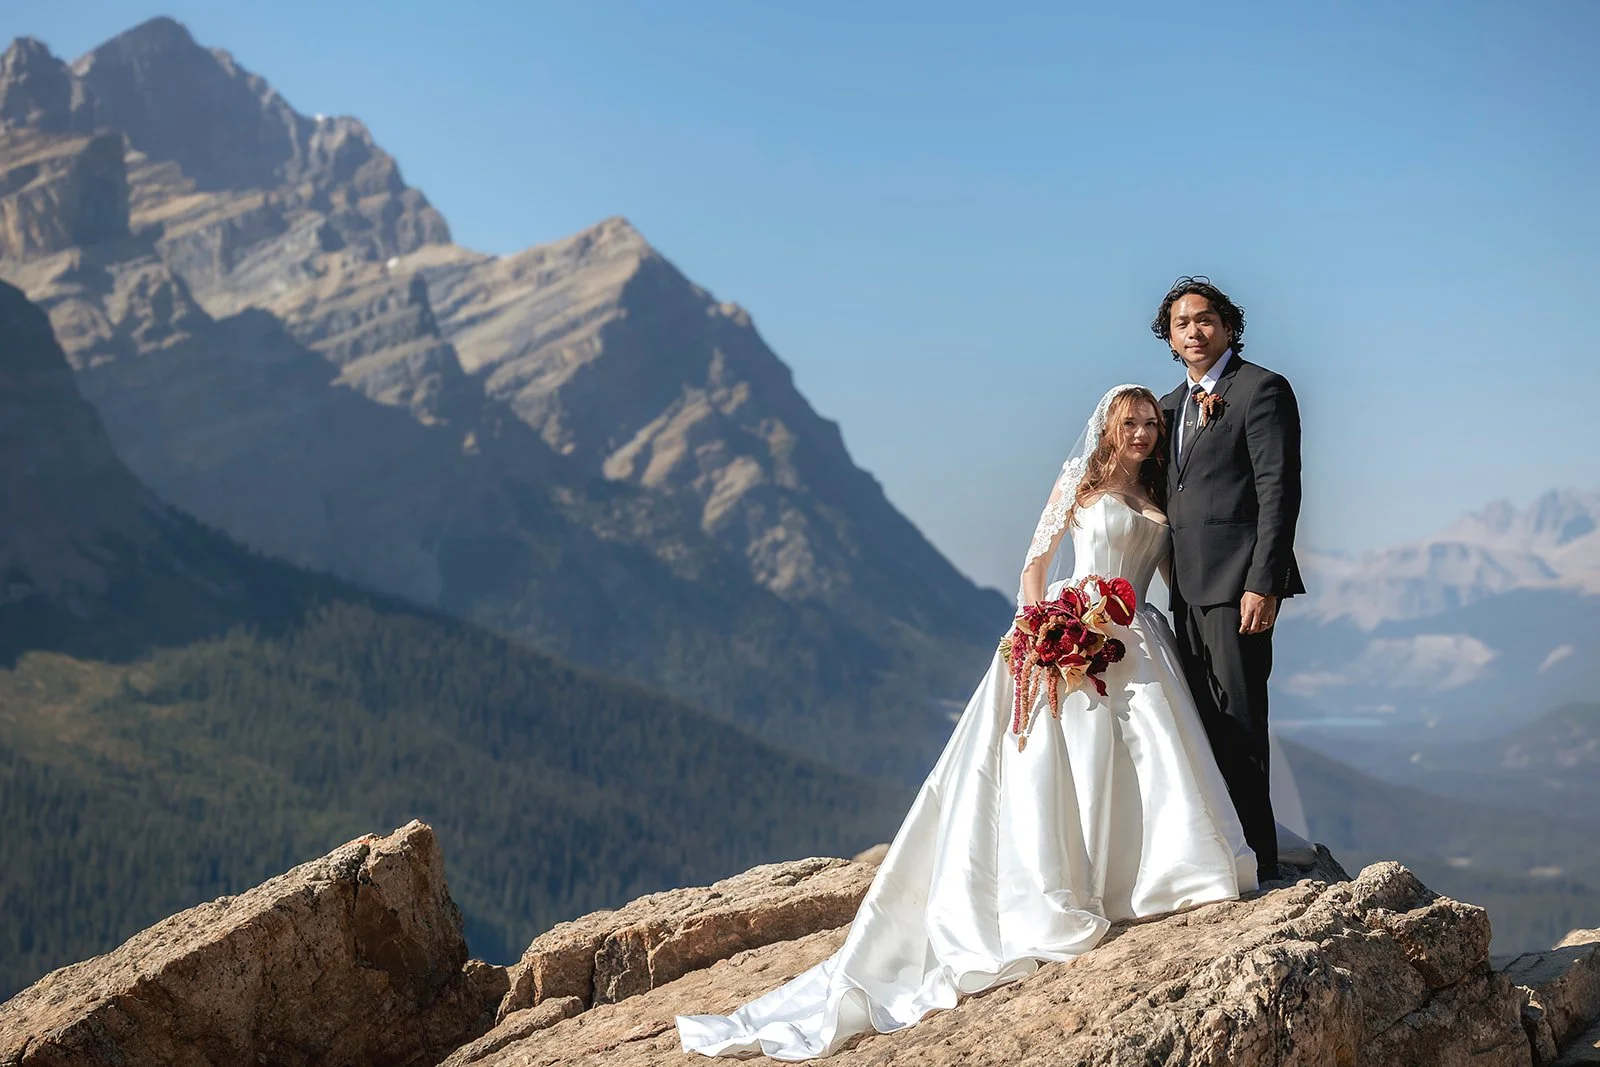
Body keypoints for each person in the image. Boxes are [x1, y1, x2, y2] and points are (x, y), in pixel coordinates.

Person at [676, 384, 1263, 1061]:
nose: (1142, 432)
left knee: (1144, 761)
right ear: (1106, 428)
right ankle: (1064, 886)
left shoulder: (1160, 499)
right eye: (1130, 422)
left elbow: (1177, 574)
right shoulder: (1079, 485)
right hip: (1072, 628)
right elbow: (1035, 564)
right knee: (1063, 765)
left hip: (1134, 639)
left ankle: (1141, 877)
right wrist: (1042, 627)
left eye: (1151, 423)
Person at [1154, 277, 1304, 884]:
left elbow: (1278, 490)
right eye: (1182, 323)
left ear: (1228, 327)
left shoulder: (1261, 390)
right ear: (1169, 337)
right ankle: (1220, 853)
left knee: (1241, 723)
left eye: (1206, 319)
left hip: (1239, 585)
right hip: (1182, 591)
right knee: (1199, 728)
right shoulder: (1165, 409)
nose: (1195, 331)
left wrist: (1263, 582)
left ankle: (1259, 861)